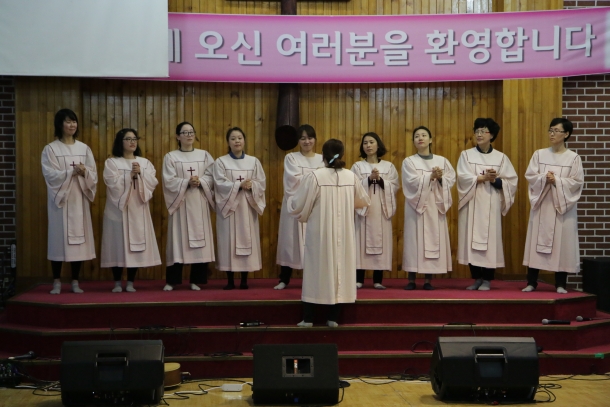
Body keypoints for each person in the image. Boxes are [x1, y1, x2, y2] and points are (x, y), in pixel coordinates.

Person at [288, 139, 370, 327]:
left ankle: (309, 318)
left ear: (323, 155)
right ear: (342, 154)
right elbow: (363, 201)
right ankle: (333, 317)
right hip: (344, 232)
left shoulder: (315, 176)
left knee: (316, 269)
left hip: (320, 231)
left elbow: (299, 204)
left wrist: (291, 203)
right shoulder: (351, 176)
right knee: (339, 268)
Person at [522, 118, 584, 294]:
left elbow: (577, 182)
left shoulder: (573, 158)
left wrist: (556, 180)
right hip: (543, 205)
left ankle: (560, 284)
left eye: (556, 131)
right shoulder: (539, 154)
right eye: (550, 130)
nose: (552, 134)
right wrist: (544, 178)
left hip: (562, 208)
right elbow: (531, 176)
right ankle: (531, 282)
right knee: (536, 241)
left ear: (566, 134)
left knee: (561, 245)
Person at [457, 118, 518, 291]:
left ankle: (487, 279)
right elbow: (462, 178)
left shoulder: (501, 158)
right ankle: (477, 278)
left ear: (491, 135)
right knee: (471, 239)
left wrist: (494, 180)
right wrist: (480, 178)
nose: (479, 134)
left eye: (483, 131)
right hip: (472, 202)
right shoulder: (466, 155)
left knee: (490, 240)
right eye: (477, 131)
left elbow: (511, 182)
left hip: (491, 203)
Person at [42, 109, 97, 294]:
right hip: (61, 201)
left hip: (79, 199)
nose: (72, 125)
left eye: (74, 121)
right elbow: (50, 174)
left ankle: (75, 281)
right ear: (60, 124)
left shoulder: (84, 148)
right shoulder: (51, 149)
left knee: (78, 243)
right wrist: (70, 172)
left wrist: (84, 172)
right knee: (58, 240)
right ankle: (56, 281)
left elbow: (93, 174)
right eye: (68, 121)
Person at [100, 129, 161, 292]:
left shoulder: (144, 163)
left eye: (134, 138)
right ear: (120, 142)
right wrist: (129, 176)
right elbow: (111, 183)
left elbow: (152, 182)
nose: (132, 142)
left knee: (135, 245)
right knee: (117, 244)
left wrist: (140, 173)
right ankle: (117, 282)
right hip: (118, 210)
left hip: (138, 209)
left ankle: (131, 282)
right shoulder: (112, 163)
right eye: (128, 139)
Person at [162, 122, 215, 291]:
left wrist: (201, 181)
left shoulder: (204, 155)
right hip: (181, 204)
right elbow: (168, 180)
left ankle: (196, 280)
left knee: (200, 241)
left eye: (191, 132)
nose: (189, 135)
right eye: (184, 132)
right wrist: (186, 182)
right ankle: (172, 281)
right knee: (178, 241)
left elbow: (212, 176)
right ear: (178, 136)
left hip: (199, 202)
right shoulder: (171, 157)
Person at [402, 126, 455, 290]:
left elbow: (451, 179)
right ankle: (411, 279)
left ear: (430, 140)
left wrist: (440, 178)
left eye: (424, 135)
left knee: (433, 238)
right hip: (416, 206)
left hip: (434, 204)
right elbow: (410, 182)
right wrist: (430, 176)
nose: (420, 138)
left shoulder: (442, 161)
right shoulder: (409, 161)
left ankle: (428, 280)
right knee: (414, 240)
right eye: (417, 136)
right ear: (413, 141)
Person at [213, 127, 266, 290]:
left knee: (247, 238)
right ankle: (230, 280)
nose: (237, 141)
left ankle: (244, 280)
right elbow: (219, 184)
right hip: (229, 208)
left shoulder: (253, 161)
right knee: (228, 241)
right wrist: (238, 185)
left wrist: (252, 185)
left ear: (244, 140)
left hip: (247, 207)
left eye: (240, 138)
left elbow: (261, 182)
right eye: (233, 138)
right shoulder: (221, 162)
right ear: (228, 142)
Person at [275, 124, 324, 290]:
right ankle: (284, 279)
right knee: (290, 241)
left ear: (315, 139)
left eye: (310, 138)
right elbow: (293, 181)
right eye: (302, 138)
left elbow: (325, 181)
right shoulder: (291, 158)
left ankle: (315, 280)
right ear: (298, 141)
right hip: (295, 205)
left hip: (316, 207)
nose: (306, 141)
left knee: (315, 243)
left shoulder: (322, 159)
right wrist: (315, 178)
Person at [351, 132, 399, 290]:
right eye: (365, 143)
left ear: (378, 145)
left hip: (381, 210)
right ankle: (359, 279)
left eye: (371, 142)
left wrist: (380, 180)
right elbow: (352, 186)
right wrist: (368, 180)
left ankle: (378, 280)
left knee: (381, 242)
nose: (368, 145)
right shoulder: (357, 166)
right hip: (364, 212)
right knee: (360, 243)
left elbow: (395, 186)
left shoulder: (388, 166)